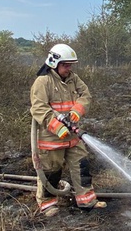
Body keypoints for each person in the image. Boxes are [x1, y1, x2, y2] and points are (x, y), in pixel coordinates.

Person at [30, 43, 106, 217]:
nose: (69, 68)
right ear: (54, 63)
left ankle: (86, 201)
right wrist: (57, 127)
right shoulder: (43, 81)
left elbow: (85, 95)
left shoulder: (73, 78)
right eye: (65, 65)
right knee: (51, 171)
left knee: (82, 165)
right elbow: (38, 108)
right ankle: (47, 204)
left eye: (70, 65)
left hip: (71, 135)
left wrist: (77, 111)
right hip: (51, 137)